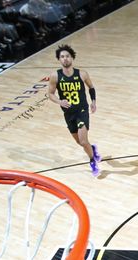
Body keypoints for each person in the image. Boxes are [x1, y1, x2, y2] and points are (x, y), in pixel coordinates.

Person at [46, 44, 101, 176]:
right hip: (68, 113)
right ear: (59, 59)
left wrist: (93, 102)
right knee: (80, 142)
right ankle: (91, 148)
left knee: (82, 140)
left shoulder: (82, 74)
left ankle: (92, 161)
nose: (65, 59)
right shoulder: (55, 76)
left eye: (67, 56)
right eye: (62, 57)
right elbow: (50, 94)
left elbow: (91, 88)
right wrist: (59, 101)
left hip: (81, 111)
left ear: (72, 58)